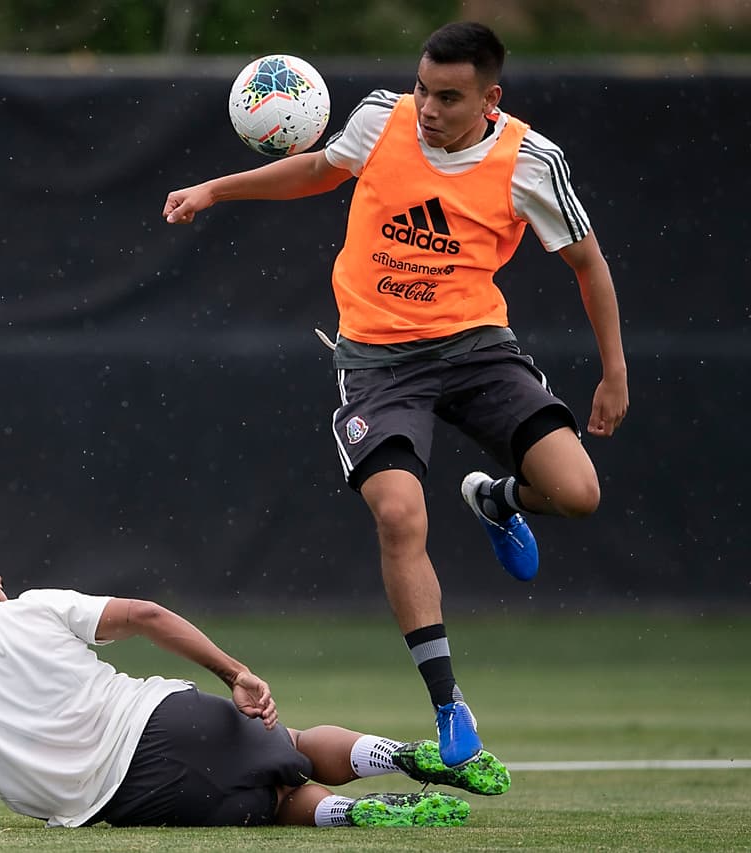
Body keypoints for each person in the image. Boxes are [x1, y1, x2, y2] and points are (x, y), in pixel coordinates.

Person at [162, 21, 628, 768]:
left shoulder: (530, 161)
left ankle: (498, 498)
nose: (430, 106)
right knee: (399, 512)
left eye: (449, 96)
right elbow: (320, 168)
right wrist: (216, 189)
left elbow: (588, 263)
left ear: (490, 98)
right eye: (423, 88)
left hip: (476, 347)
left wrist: (615, 372)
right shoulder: (384, 117)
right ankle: (449, 704)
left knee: (578, 493)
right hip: (378, 358)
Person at [0, 529, 510, 830]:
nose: (5, 583)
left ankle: (358, 815)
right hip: (166, 718)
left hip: (118, 802)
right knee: (282, 742)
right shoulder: (31, 607)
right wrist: (235, 671)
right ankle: (404, 754)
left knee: (268, 798)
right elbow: (147, 612)